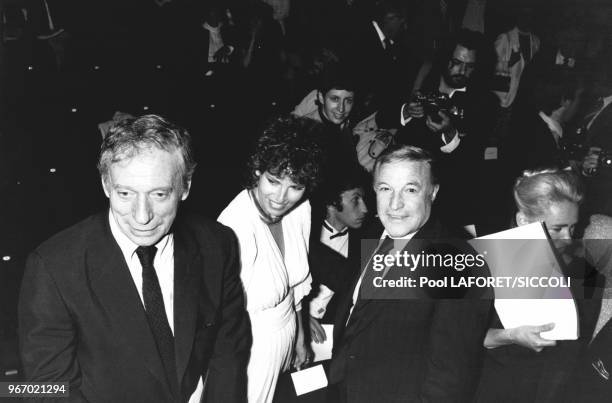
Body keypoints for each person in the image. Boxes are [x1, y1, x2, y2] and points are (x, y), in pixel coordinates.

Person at [18, 115, 251, 402]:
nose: (142, 216)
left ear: (186, 186)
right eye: (125, 193)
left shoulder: (216, 243)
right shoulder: (54, 267)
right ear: (106, 185)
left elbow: (228, 352)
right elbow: (48, 387)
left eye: (160, 194)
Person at [328, 144, 490, 402]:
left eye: (410, 190)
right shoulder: (370, 233)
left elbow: (450, 380)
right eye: (385, 189)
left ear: (433, 192)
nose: (395, 204)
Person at [217, 115, 324, 403]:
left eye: (295, 187)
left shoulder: (301, 210)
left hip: (288, 332)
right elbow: (220, 315)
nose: (281, 197)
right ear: (256, 172)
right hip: (251, 348)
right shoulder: (234, 225)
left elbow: (296, 289)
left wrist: (300, 336)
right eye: (273, 181)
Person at [475, 168, 596, 403]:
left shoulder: (585, 274)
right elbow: (465, 339)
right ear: (523, 220)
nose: (569, 238)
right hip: (493, 385)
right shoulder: (487, 263)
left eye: (573, 227)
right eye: (557, 228)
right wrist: (510, 335)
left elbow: (576, 354)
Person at [308, 165, 370, 342]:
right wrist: (300, 317)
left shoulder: (366, 242)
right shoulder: (304, 231)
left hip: (331, 336)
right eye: (356, 199)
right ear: (332, 202)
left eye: (363, 199)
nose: (364, 209)